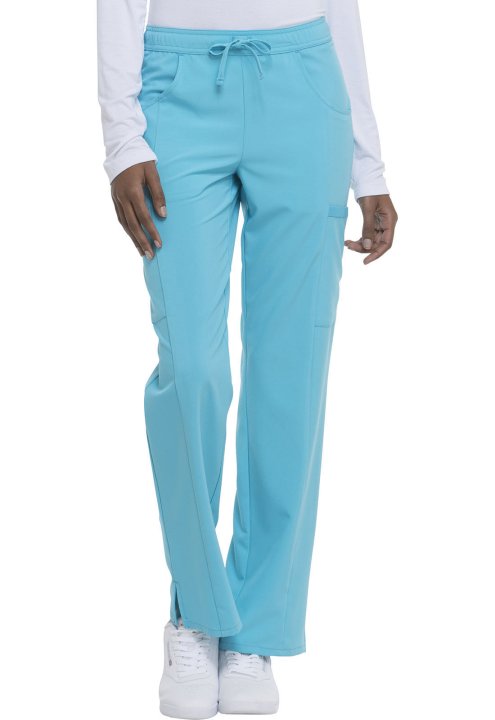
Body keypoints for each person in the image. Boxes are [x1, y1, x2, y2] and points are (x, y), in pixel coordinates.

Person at [97, 1, 398, 717]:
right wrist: (122, 140)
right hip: (174, 89)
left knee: (291, 373)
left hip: (305, 84)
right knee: (193, 371)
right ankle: (196, 614)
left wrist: (369, 166)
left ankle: (256, 626)